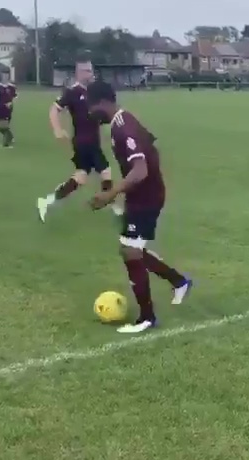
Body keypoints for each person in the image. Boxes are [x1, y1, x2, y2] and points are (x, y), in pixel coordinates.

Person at [86, 80, 192, 334]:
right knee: (130, 250)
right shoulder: (120, 124)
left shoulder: (124, 128)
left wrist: (110, 194)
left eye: (90, 106)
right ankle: (179, 282)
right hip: (140, 195)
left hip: (147, 197)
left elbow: (141, 169)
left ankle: (147, 317)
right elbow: (150, 144)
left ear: (101, 102)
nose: (89, 112)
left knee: (130, 251)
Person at [37, 62, 122, 222]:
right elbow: (54, 109)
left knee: (80, 177)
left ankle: (47, 201)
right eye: (87, 71)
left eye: (92, 70)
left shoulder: (93, 92)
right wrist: (57, 129)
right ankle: (113, 206)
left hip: (92, 141)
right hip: (84, 142)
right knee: (105, 172)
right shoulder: (72, 92)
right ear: (79, 73)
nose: (91, 73)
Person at [0, 81, 15, 147]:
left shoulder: (11, 87)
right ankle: (10, 137)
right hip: (0, 109)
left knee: (4, 127)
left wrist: (10, 103)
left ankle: (5, 143)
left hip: (7, 110)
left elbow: (14, 96)